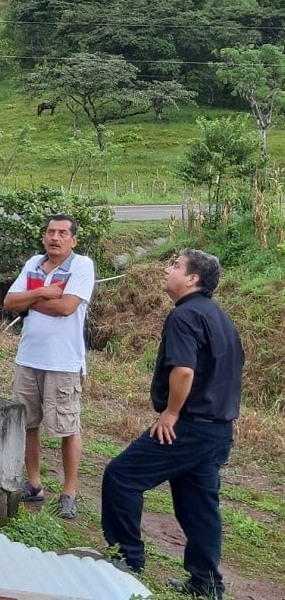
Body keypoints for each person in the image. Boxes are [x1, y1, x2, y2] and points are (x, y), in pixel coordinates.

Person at [101, 249, 242, 599]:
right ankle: (206, 582)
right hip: (219, 429)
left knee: (122, 477)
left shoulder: (185, 316)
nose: (167, 269)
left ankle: (127, 560)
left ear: (192, 279)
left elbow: (183, 370)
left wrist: (172, 413)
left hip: (188, 427)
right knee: (198, 506)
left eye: (176, 266)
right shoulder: (220, 317)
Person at [2, 215, 95, 519]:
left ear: (73, 240)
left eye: (63, 233)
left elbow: (66, 308)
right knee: (28, 423)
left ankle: (69, 492)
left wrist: (26, 301)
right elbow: (8, 302)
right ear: (44, 237)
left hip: (63, 363)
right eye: (51, 232)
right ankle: (33, 484)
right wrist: (41, 293)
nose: (55, 237)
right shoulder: (33, 264)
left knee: (68, 426)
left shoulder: (81, 266)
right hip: (28, 358)